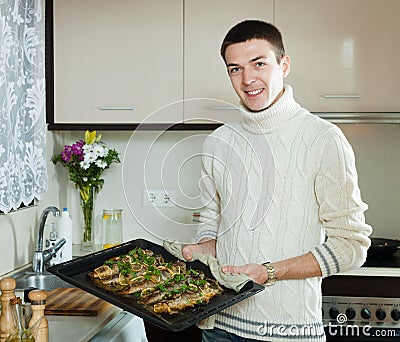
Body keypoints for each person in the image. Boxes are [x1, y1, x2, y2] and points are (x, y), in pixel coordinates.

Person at [181, 20, 372, 342]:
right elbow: (213, 224)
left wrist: (269, 272)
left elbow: (351, 247)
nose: (247, 79)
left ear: (284, 64)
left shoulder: (323, 138)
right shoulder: (218, 142)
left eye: (259, 64)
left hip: (288, 331)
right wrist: (203, 247)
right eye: (235, 69)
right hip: (219, 326)